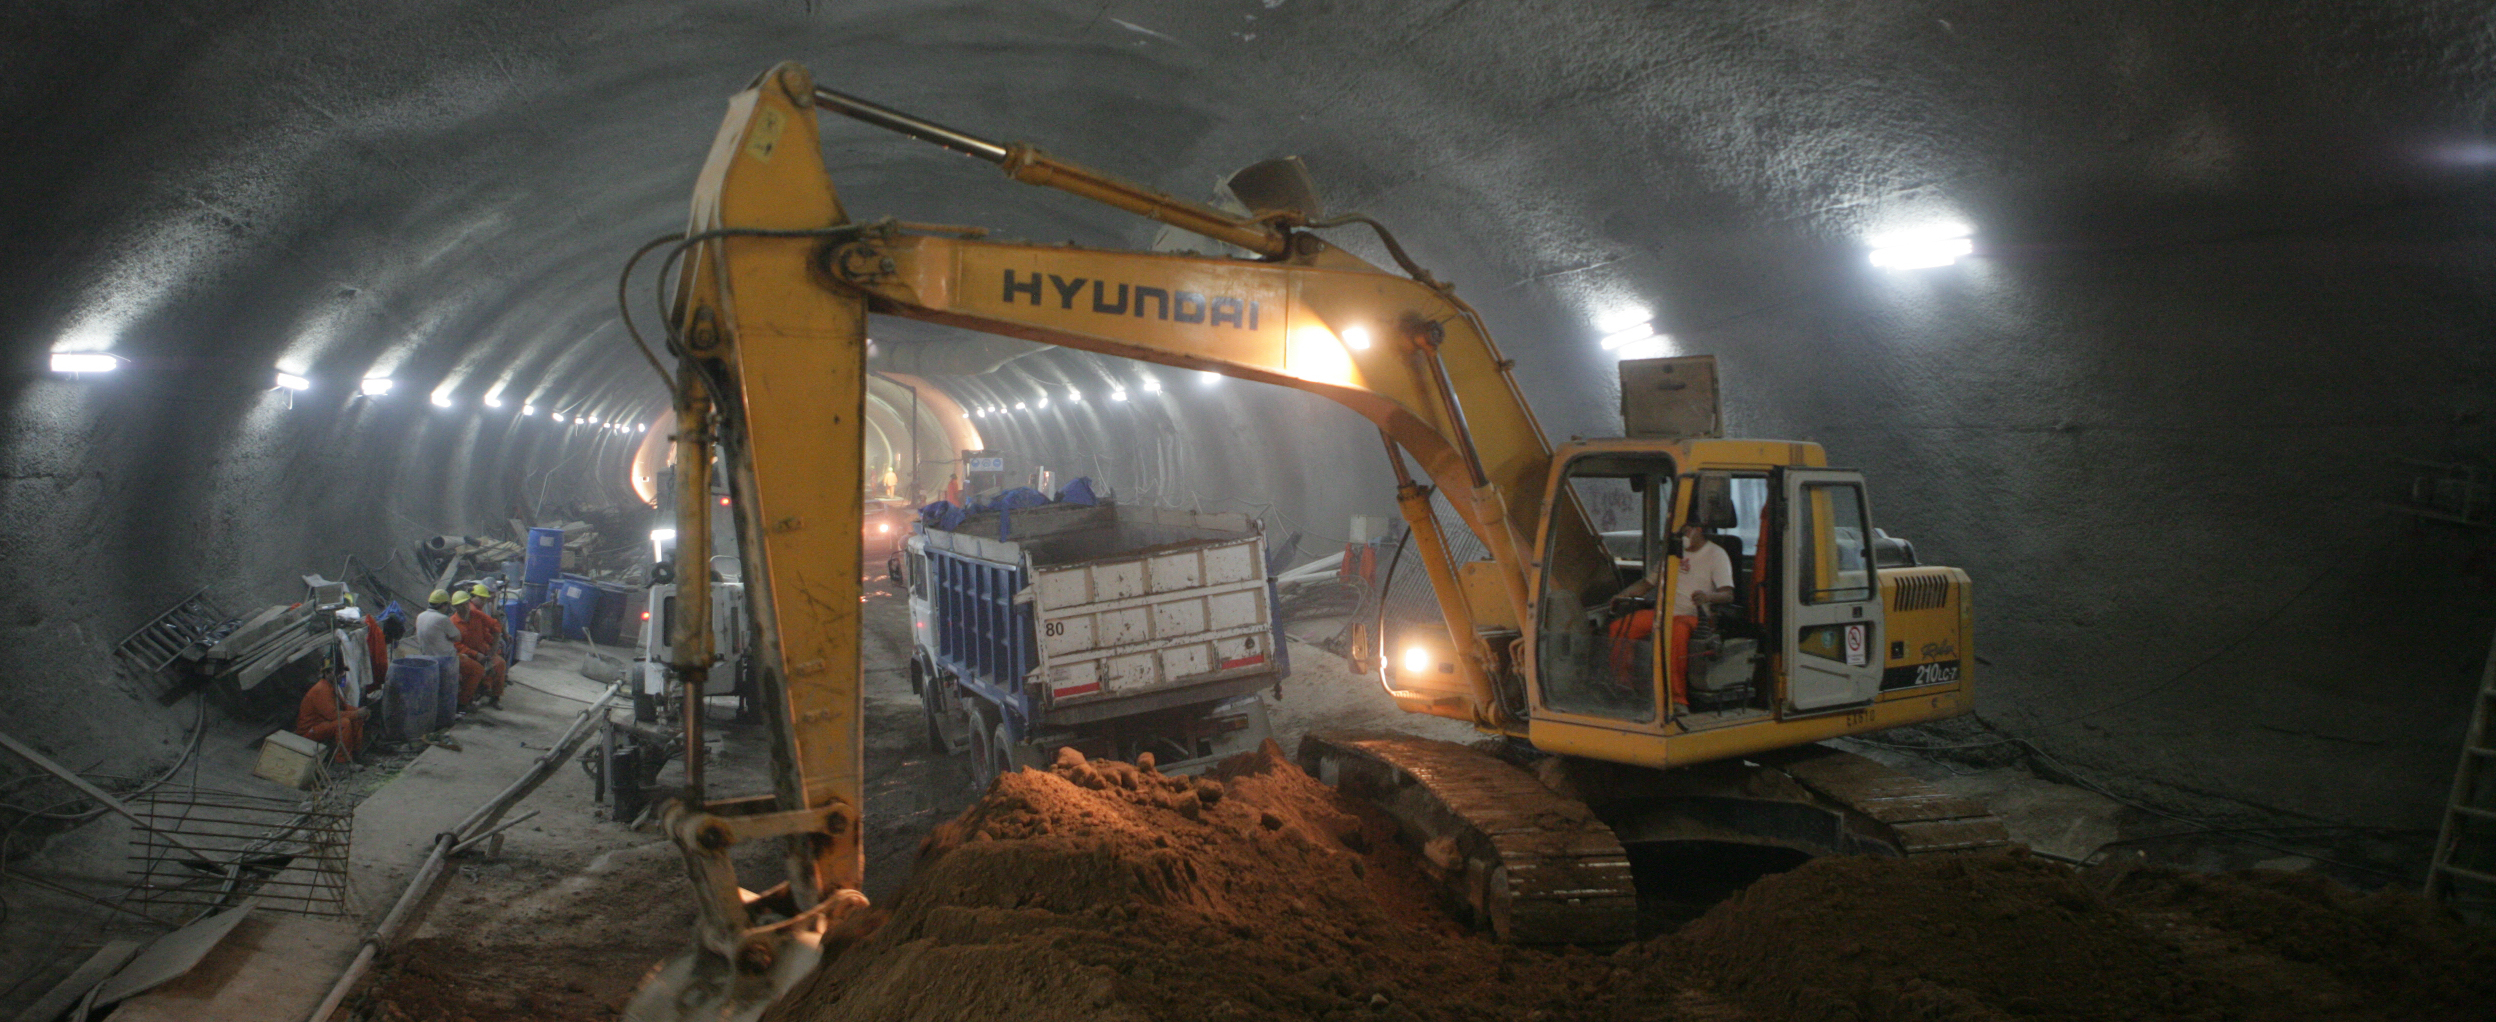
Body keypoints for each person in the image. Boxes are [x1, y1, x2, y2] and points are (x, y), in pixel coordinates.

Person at [1607, 522, 1735, 713]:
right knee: (1620, 627)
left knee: (1676, 633)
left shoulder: (1716, 554)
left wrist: (1708, 596)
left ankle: (1677, 699)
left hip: (1694, 616)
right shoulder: (1672, 553)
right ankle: (1623, 687)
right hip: (1664, 613)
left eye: (1685, 531)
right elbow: (1647, 583)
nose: (1681, 535)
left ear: (1699, 529)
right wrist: (1622, 595)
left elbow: (1727, 594)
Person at [295, 665, 366, 764]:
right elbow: (332, 715)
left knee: (357, 718)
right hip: (309, 731)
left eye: (342, 671)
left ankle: (355, 754)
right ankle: (342, 762)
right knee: (344, 723)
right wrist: (356, 713)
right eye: (338, 672)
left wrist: (360, 711)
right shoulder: (321, 689)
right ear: (327, 673)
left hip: (323, 724)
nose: (341, 674)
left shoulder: (331, 686)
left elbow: (343, 706)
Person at [453, 589, 507, 709]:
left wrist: (494, 647)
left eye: (466, 604)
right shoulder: (453, 622)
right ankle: (463, 702)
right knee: (477, 670)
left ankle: (495, 697)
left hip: (483, 652)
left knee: (500, 664)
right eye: (460, 605)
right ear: (455, 607)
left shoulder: (476, 615)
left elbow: (495, 625)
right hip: (467, 655)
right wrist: (475, 654)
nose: (465, 607)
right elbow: (456, 644)